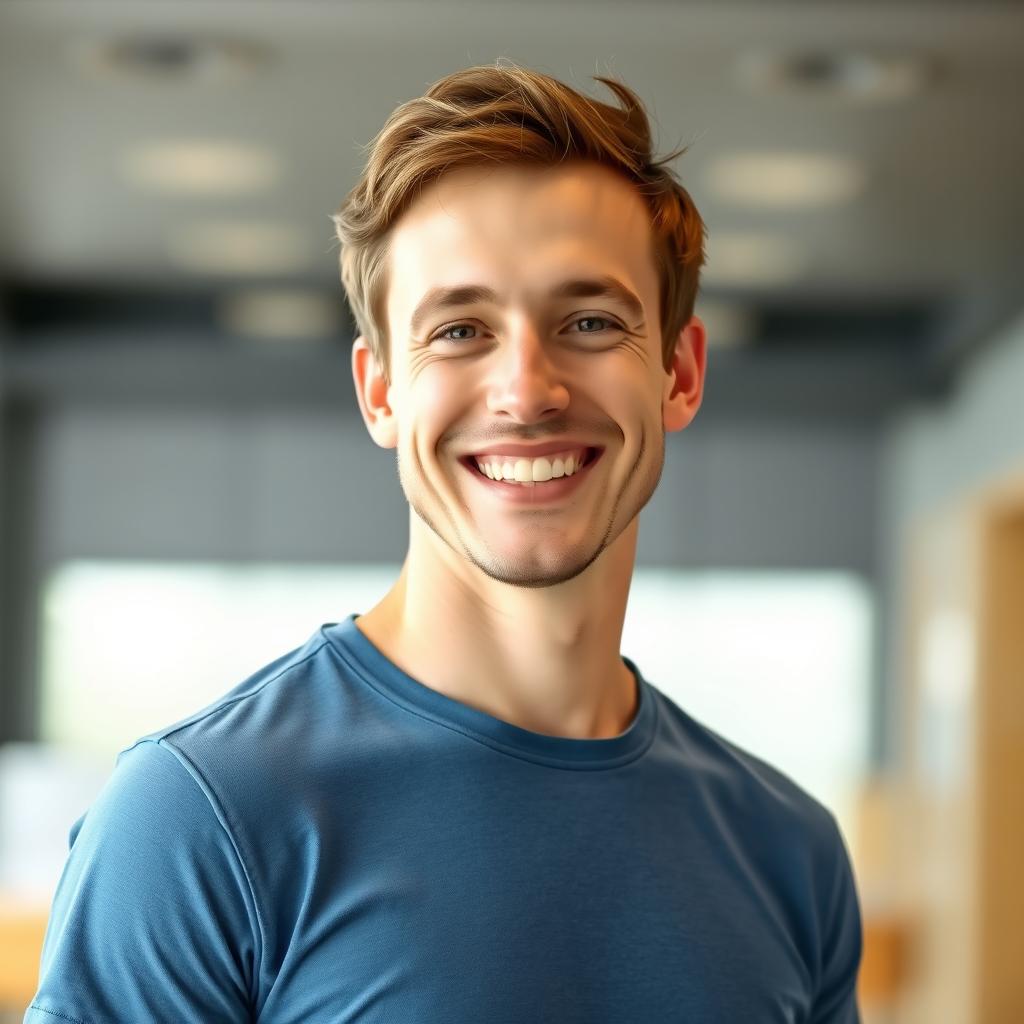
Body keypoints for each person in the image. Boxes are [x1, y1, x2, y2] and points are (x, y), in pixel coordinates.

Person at [26, 61, 862, 1023]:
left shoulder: (787, 851)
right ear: (380, 391)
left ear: (678, 372)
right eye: (461, 330)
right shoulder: (198, 818)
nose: (526, 391)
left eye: (589, 321)